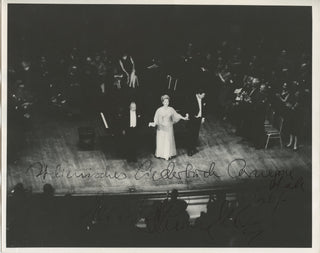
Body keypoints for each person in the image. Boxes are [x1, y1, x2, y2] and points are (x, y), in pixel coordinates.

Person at [149, 95, 188, 160]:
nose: (166, 103)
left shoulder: (171, 109)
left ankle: (167, 155)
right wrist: (154, 123)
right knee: (161, 140)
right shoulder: (159, 110)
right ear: (162, 102)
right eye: (165, 102)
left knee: (168, 140)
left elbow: (176, 115)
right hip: (161, 128)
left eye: (167, 101)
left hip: (169, 127)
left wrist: (183, 118)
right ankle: (160, 154)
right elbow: (156, 118)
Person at [185, 88, 207, 156]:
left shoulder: (203, 99)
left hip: (199, 119)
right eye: (202, 95)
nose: (203, 96)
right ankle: (189, 150)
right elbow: (187, 107)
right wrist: (188, 114)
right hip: (193, 119)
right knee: (190, 134)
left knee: (196, 134)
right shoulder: (191, 98)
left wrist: (203, 117)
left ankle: (193, 148)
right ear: (198, 94)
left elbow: (204, 109)